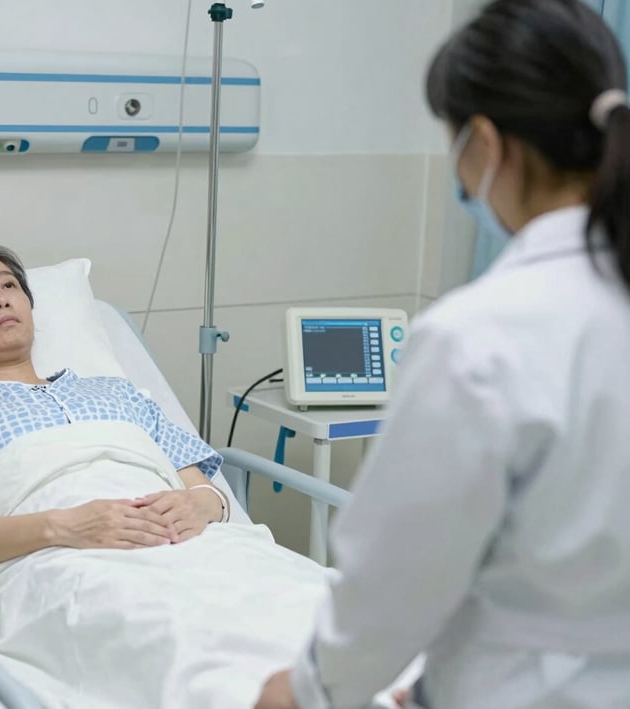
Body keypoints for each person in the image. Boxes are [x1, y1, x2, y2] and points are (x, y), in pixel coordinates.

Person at [256, 0, 630, 707]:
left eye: (453, 142)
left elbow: (392, 589)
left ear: (486, 144)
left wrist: (303, 690)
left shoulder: (482, 335)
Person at [0, 241, 231, 573]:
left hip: (189, 548)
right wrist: (67, 527)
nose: (1, 299)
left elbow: (205, 492)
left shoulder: (120, 392)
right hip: (55, 566)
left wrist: (200, 507)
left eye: (9, 285)